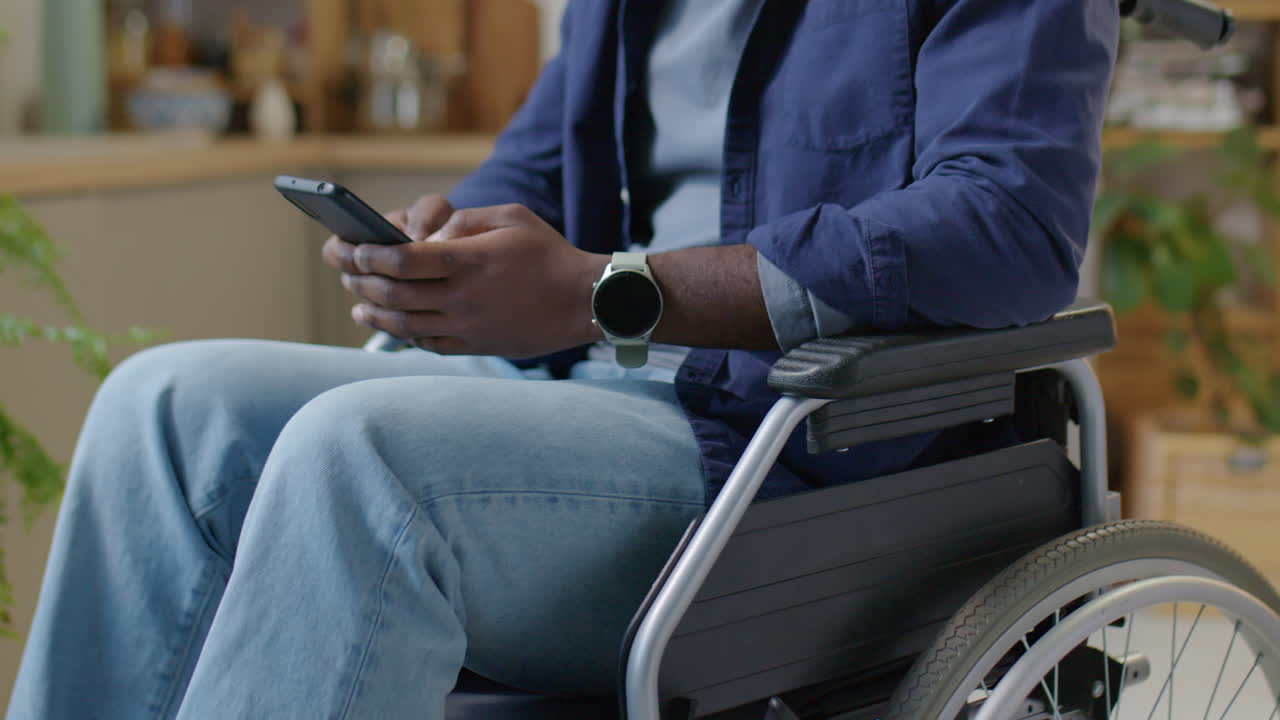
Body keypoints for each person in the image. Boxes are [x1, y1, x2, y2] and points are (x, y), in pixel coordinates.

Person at [7, 1, 1118, 718]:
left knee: (363, 459)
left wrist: (603, 292)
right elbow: (533, 172)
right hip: (571, 388)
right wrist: (443, 252)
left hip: (778, 441)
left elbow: (1007, 229)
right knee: (161, 401)